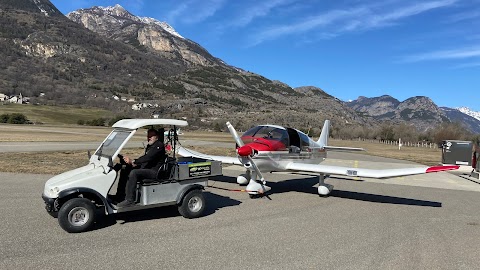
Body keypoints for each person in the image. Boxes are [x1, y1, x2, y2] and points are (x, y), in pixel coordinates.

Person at [117, 128, 166, 208]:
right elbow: (146, 158)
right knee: (125, 169)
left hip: (155, 171)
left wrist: (134, 161)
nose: (149, 138)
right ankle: (120, 195)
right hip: (148, 168)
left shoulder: (159, 146)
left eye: (151, 136)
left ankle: (130, 200)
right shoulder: (151, 146)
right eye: (148, 136)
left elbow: (149, 157)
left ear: (156, 136)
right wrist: (135, 164)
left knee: (134, 173)